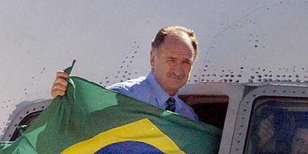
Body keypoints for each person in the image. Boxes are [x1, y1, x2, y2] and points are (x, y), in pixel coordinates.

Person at [50, 26, 200, 121]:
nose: (178, 70)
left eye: (185, 62)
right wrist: (64, 102)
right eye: (171, 60)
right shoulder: (122, 97)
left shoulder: (188, 117)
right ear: (153, 59)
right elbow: (81, 125)